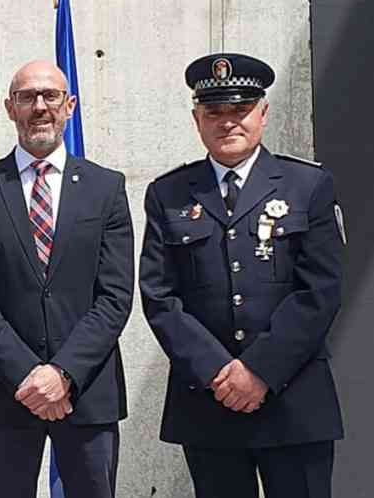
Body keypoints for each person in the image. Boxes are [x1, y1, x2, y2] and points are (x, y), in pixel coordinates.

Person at [140, 53, 346, 498]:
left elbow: (320, 291)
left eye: (241, 109)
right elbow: (160, 297)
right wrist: (219, 371)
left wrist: (259, 371)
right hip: (209, 402)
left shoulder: (307, 185)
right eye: (214, 111)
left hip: (294, 401)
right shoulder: (169, 193)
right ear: (197, 119)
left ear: (264, 113)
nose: (228, 122)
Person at [0, 60, 134, 497]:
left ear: (69, 105)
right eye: (27, 97)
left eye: (50, 96)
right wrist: (30, 375)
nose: (39, 107)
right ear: (9, 108)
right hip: (7, 392)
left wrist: (63, 373)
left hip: (87, 392)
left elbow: (115, 296)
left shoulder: (105, 187)